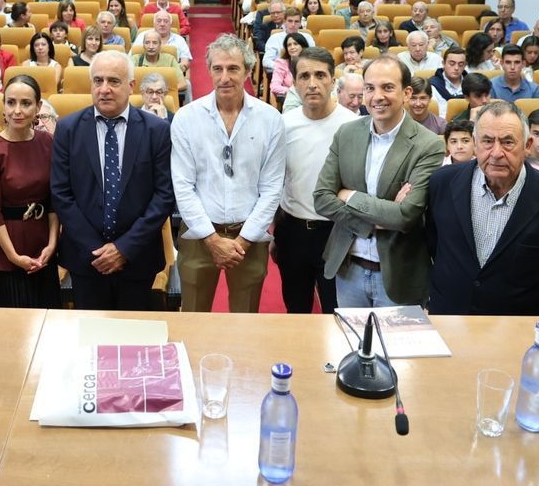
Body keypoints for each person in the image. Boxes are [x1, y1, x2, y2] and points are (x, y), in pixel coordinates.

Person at [425, 100, 539, 315]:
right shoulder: (442, 183)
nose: (497, 152)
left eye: (508, 142)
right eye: (487, 141)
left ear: (527, 146)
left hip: (518, 326)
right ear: (474, 142)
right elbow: (435, 244)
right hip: (451, 315)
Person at [313, 56, 445, 308]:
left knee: (395, 348)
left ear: (406, 93)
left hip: (398, 275)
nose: (377, 96)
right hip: (348, 269)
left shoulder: (428, 145)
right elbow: (322, 198)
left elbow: (405, 217)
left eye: (387, 87)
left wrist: (349, 196)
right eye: (370, 88)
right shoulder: (347, 134)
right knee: (351, 345)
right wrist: (382, 216)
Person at [51, 51, 173, 309]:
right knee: (90, 337)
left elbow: (163, 195)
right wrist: (97, 250)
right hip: (87, 258)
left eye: (114, 81)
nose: (104, 89)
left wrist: (123, 249)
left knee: (133, 339)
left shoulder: (157, 131)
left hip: (137, 257)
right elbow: (61, 194)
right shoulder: (68, 129)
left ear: (130, 86)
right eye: (98, 81)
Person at [172, 34, 284, 313]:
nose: (225, 77)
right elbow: (183, 186)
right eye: (217, 68)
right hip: (199, 235)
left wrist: (244, 239)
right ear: (208, 70)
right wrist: (211, 239)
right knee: (194, 318)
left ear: (248, 71)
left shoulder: (271, 119)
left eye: (233, 68)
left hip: (250, 235)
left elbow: (272, 188)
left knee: (245, 320)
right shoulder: (187, 118)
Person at [276, 47, 356, 313]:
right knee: (296, 310)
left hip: (337, 232)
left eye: (320, 75)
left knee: (336, 312)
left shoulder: (353, 125)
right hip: (293, 230)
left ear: (333, 81)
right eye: (304, 76)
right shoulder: (283, 125)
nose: (312, 83)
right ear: (295, 83)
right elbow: (275, 181)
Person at [0, 75, 60, 308]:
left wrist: (52, 245)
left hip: (43, 245)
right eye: (11, 102)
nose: (17, 111)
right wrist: (13, 256)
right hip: (6, 249)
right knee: (12, 328)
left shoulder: (48, 142)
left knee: (48, 320)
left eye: (26, 103)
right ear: (3, 106)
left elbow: (54, 199)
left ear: (38, 107)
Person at [131, 29, 186, 93]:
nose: (151, 47)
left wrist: (160, 92)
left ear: (160, 45)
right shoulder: (135, 59)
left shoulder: (170, 59)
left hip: (165, 97)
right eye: (147, 43)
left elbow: (183, 84)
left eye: (155, 43)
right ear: (143, 45)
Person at [271, 32, 309, 107]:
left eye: (295, 44)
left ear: (303, 46)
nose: (292, 47)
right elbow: (274, 86)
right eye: (289, 45)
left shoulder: (311, 62)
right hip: (291, 100)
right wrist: (292, 92)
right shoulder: (281, 63)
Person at [429, 45, 467, 116]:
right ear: (443, 64)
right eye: (452, 64)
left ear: (465, 66)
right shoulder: (432, 85)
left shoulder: (472, 85)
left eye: (460, 64)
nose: (456, 68)